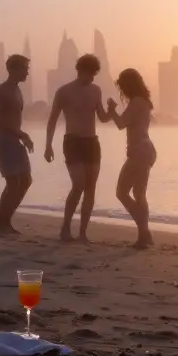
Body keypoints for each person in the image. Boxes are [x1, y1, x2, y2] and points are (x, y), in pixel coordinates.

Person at [44, 54, 111, 242]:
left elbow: (103, 117)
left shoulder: (96, 90)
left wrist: (112, 111)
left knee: (91, 188)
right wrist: (48, 145)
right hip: (73, 141)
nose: (92, 78)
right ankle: (65, 228)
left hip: (92, 142)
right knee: (78, 185)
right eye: (90, 73)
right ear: (80, 71)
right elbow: (52, 120)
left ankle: (83, 232)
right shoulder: (64, 91)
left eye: (94, 74)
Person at [104, 68, 157, 249]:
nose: (122, 91)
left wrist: (112, 110)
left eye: (123, 87)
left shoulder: (136, 102)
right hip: (147, 149)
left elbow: (121, 123)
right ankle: (144, 235)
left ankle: (144, 232)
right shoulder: (144, 102)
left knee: (122, 192)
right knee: (139, 193)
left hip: (139, 151)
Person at [0, 54, 34, 236]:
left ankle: (4, 221)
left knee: (25, 180)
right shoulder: (1, 91)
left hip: (15, 140)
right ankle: (3, 223)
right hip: (4, 141)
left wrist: (20, 135)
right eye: (24, 68)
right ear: (13, 69)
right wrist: (20, 133)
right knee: (13, 184)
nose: (27, 72)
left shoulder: (17, 90)